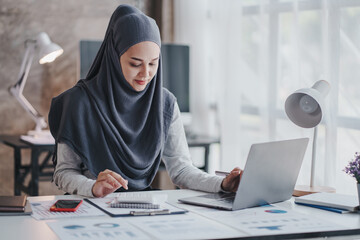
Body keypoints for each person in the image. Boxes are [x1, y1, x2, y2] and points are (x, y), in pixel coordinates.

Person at [49, 4, 242, 198]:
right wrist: (92, 187)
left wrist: (223, 184)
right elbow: (64, 172)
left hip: (142, 207)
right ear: (115, 57)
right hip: (91, 207)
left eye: (153, 63)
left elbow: (181, 170)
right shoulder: (79, 102)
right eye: (135, 64)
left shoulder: (165, 104)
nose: (146, 73)